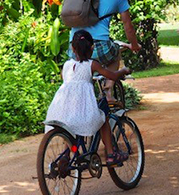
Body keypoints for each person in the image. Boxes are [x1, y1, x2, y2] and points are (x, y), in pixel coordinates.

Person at [46, 30, 130, 166]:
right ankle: (110, 154)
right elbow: (112, 76)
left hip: (61, 108)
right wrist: (123, 71)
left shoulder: (67, 65)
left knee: (71, 126)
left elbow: (68, 79)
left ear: (73, 48)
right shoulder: (92, 64)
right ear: (92, 48)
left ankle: (67, 154)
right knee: (102, 119)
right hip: (82, 108)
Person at [69, 0, 141, 101]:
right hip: (99, 47)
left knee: (84, 73)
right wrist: (134, 45)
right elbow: (128, 26)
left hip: (74, 48)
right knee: (114, 53)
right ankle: (108, 90)